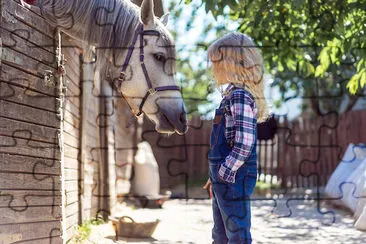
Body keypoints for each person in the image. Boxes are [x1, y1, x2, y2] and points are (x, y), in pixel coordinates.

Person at [203, 32, 269, 244]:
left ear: (231, 63)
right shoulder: (230, 96)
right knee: (220, 233)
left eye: (215, 63)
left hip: (233, 176)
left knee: (237, 235)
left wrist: (223, 172)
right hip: (223, 176)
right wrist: (214, 176)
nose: (212, 69)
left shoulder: (239, 96)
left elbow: (244, 143)